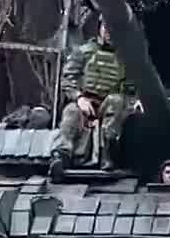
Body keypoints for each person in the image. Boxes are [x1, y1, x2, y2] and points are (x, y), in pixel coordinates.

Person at [55, 18, 139, 166]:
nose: (109, 32)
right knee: (71, 112)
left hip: (111, 104)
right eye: (106, 27)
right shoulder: (83, 52)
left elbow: (132, 87)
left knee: (116, 102)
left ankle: (108, 153)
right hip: (85, 101)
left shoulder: (126, 58)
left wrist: (134, 101)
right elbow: (68, 79)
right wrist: (79, 98)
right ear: (100, 28)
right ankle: (61, 156)